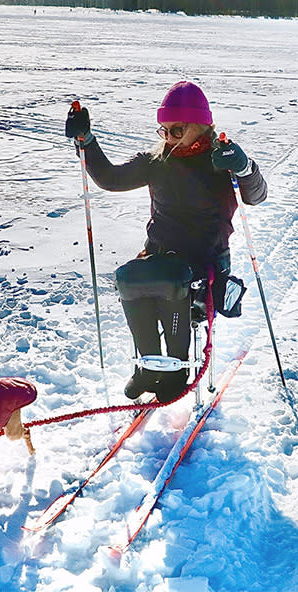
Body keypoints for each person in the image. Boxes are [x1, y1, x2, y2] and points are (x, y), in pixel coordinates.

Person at [64, 81, 268, 402]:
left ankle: (176, 369)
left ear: (201, 125)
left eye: (176, 130)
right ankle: (148, 368)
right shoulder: (156, 161)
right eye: (164, 131)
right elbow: (110, 178)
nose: (169, 138)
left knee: (172, 281)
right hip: (159, 256)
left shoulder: (221, 159)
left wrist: (244, 167)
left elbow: (256, 195)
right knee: (129, 278)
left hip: (207, 262)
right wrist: (85, 142)